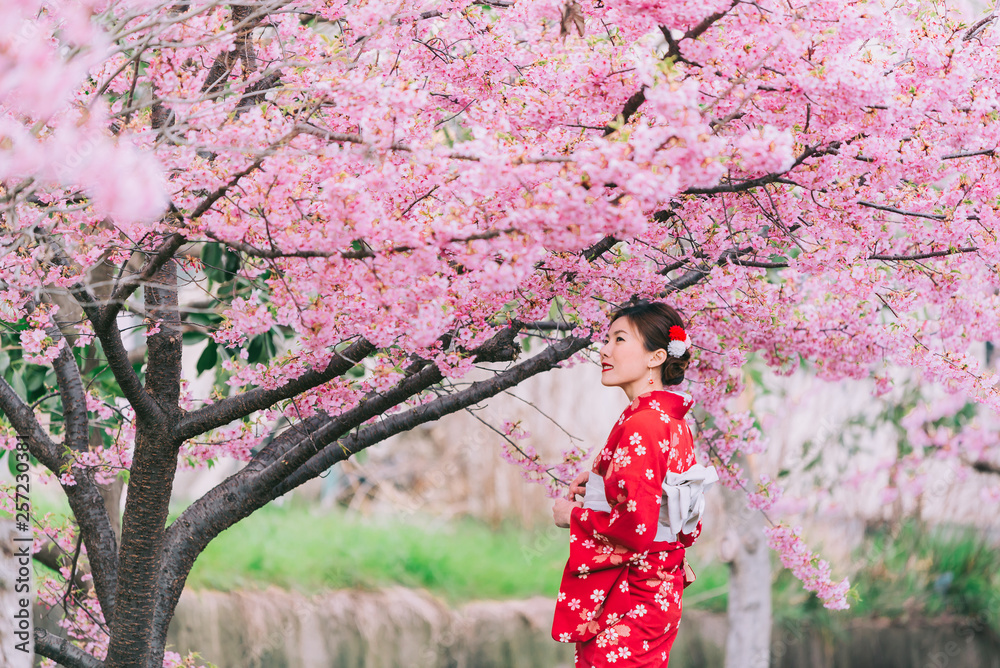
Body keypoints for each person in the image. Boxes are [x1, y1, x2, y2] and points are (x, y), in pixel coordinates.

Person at [550, 301, 718, 667]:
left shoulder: (644, 423)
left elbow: (636, 526)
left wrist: (573, 516)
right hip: (656, 592)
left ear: (656, 357)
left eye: (619, 339)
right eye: (607, 339)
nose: (605, 350)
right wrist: (602, 481)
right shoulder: (671, 420)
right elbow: (673, 511)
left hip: (631, 599)